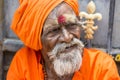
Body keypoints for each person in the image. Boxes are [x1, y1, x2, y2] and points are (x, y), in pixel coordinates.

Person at [7, 0, 120, 80]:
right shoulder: (23, 64)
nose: (67, 37)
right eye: (54, 30)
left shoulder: (101, 67)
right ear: (38, 38)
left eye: (71, 25)